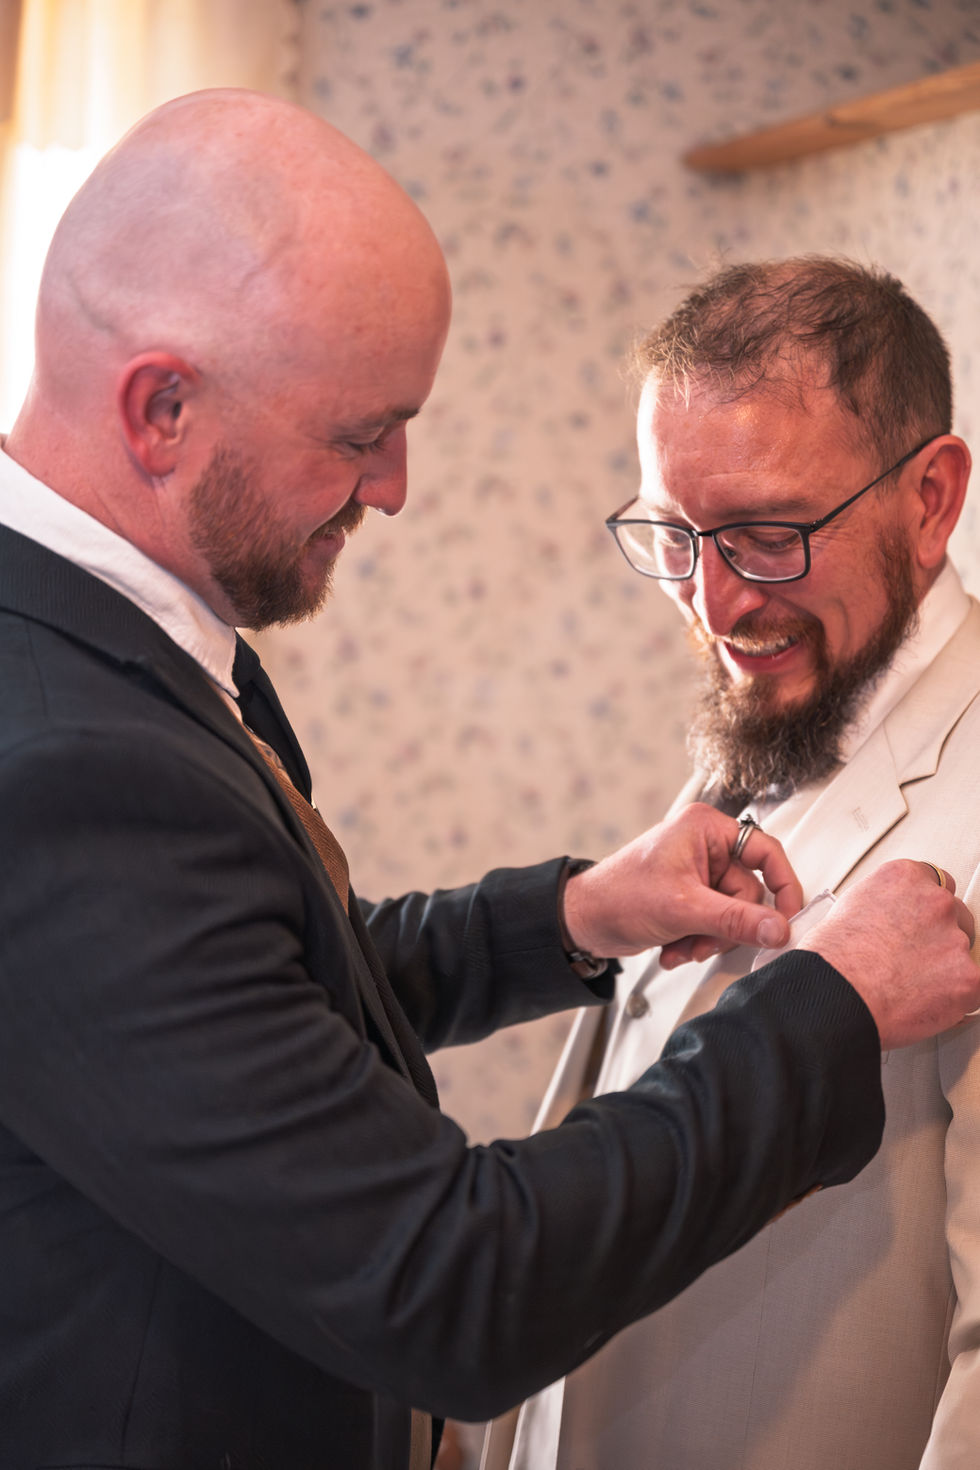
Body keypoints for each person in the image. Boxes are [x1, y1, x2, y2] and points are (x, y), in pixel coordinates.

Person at [0, 95, 974, 1470]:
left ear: (932, 495)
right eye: (358, 432)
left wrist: (567, 914)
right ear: (161, 408)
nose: (393, 486)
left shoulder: (102, 638)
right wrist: (830, 1006)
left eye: (763, 532)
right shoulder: (61, 763)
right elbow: (445, 1281)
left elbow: (260, 993)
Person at [485, 257, 980, 1470]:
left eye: (765, 534)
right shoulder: (776, 721)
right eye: (672, 534)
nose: (710, 602)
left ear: (930, 497)